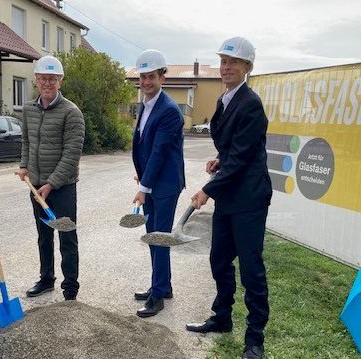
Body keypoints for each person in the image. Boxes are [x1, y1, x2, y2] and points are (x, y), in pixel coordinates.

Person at [185, 37, 272, 359]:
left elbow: (244, 157)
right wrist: (220, 161)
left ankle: (255, 339)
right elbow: (233, 151)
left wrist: (208, 189)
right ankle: (222, 318)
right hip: (230, 195)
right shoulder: (225, 101)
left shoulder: (250, 103)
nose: (226, 67)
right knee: (219, 261)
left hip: (249, 198)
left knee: (251, 269)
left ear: (247, 68)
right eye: (223, 61)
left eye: (233, 63)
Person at [16, 55, 85, 301]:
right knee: (43, 235)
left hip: (62, 187)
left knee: (67, 236)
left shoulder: (71, 112)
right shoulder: (28, 109)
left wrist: (51, 184)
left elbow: (72, 153)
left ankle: (70, 288)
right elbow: (26, 140)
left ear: (60, 81)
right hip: (35, 185)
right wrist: (24, 165)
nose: (47, 83)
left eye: (52, 79)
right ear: (36, 80)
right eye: (43, 78)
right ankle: (46, 279)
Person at [131, 49, 185, 318]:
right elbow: (144, 146)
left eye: (151, 76)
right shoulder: (146, 103)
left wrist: (144, 187)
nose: (146, 82)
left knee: (158, 238)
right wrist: (142, 177)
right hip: (152, 182)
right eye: (142, 77)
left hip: (164, 186)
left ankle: (158, 295)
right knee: (155, 236)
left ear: (162, 77)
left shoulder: (169, 111)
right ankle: (162, 286)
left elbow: (159, 152)